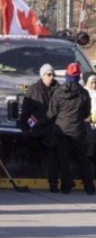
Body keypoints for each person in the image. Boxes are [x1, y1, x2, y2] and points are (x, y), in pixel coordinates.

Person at [46, 62, 95, 195]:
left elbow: (51, 113)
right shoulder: (84, 93)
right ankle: (89, 187)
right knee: (83, 160)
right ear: (78, 77)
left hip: (61, 131)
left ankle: (66, 187)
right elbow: (86, 113)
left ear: (67, 76)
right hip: (78, 131)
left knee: (63, 160)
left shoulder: (58, 92)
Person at [17, 63, 60, 192]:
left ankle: (54, 182)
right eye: (49, 74)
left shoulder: (59, 90)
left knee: (55, 149)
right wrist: (25, 128)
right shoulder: (33, 90)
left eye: (53, 74)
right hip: (37, 128)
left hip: (53, 129)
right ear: (42, 76)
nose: (51, 77)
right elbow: (25, 112)